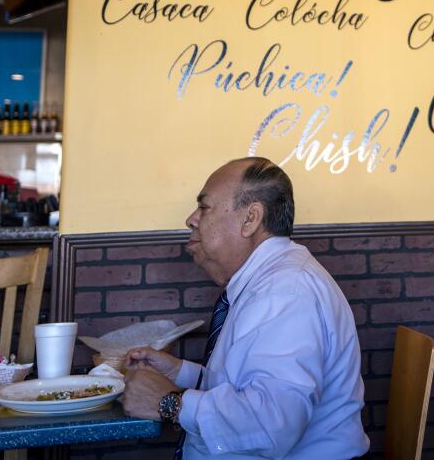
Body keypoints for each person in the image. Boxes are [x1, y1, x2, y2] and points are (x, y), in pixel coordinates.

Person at [122, 157, 369, 459]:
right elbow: (244, 385)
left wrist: (169, 402)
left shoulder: (286, 293)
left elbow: (272, 424)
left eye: (204, 206)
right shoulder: (267, 280)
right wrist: (179, 373)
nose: (191, 219)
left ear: (250, 219)